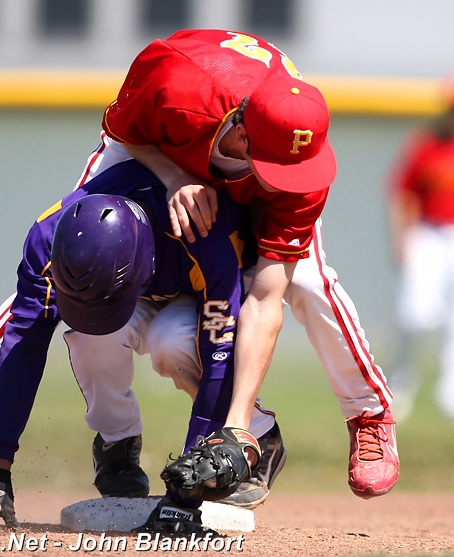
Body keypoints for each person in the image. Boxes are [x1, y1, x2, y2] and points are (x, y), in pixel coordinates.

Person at [0, 160, 280, 529]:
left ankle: (258, 435)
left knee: (172, 340)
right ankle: (118, 446)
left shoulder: (205, 235)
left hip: (197, 288)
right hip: (143, 283)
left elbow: (219, 358)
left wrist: (184, 498)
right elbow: (23, 347)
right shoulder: (48, 238)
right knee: (90, 334)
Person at [81, 28, 398, 501]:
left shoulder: (299, 156)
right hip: (179, 149)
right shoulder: (177, 84)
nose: (289, 179)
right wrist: (174, 176)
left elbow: (265, 300)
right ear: (243, 134)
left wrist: (235, 426)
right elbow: (125, 132)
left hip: (238, 187)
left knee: (308, 282)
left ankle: (368, 413)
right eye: (277, 165)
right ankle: (134, 441)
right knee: (140, 322)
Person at [386, 76, 454, 422]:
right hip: (429, 234)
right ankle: (401, 382)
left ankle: (449, 391)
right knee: (414, 313)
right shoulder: (429, 143)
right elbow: (404, 193)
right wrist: (402, 238)